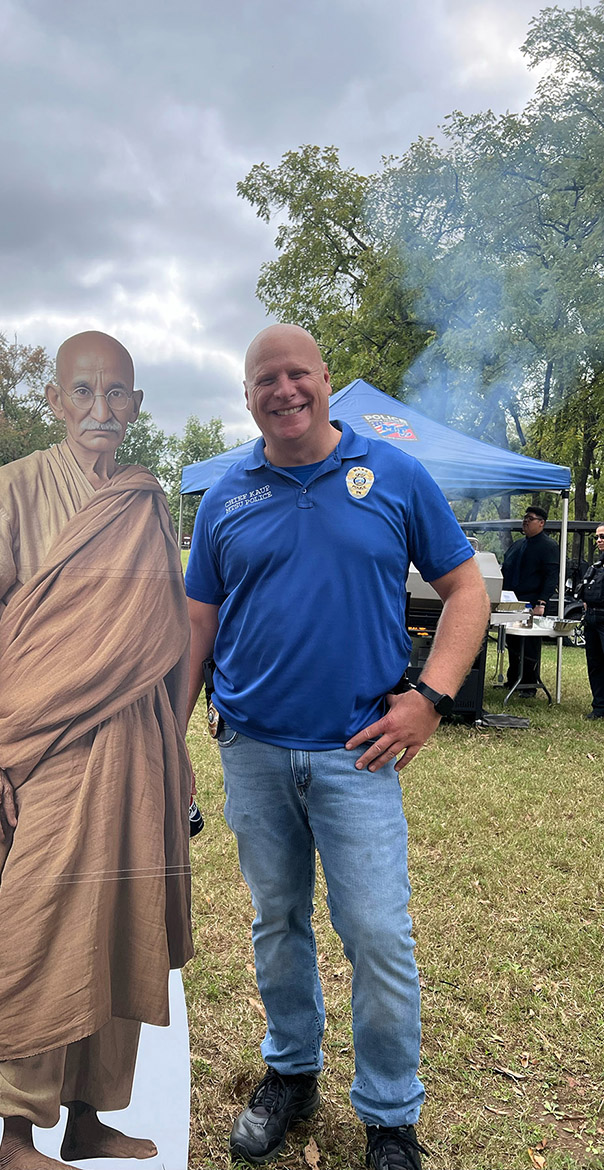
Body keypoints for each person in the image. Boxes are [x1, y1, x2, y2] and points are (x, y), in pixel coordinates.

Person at [185, 324, 490, 1170]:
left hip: (358, 755)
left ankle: (390, 1116)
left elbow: (464, 587)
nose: (283, 391)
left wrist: (430, 699)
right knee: (276, 922)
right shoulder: (223, 497)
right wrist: (166, 737)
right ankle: (292, 1072)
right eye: (263, 381)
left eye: (297, 374)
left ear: (325, 380)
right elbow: (196, 625)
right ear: (246, 397)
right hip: (249, 746)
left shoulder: (393, 474)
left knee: (377, 934)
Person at [0, 331, 193, 1170]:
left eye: (117, 394)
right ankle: (14, 1137)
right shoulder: (9, 490)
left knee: (120, 930)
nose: (100, 411)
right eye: (83, 392)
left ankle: (88, 1118)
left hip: (138, 755)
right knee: (37, 932)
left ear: (137, 407)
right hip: (40, 758)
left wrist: (176, 762)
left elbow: (164, 642)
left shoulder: (148, 504)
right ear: (55, 401)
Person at [500, 506, 560, 695]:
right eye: (524, 518)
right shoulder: (517, 545)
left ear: (541, 523)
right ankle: (513, 679)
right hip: (512, 600)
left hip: (533, 600)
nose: (525, 521)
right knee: (513, 641)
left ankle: (528, 684)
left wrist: (541, 603)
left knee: (530, 645)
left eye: (530, 518)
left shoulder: (549, 546)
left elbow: (551, 576)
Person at [580, 524, 604, 719]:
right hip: (592, 619)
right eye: (597, 537)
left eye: (603, 537)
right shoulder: (596, 567)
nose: (599, 541)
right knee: (595, 664)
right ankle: (599, 707)